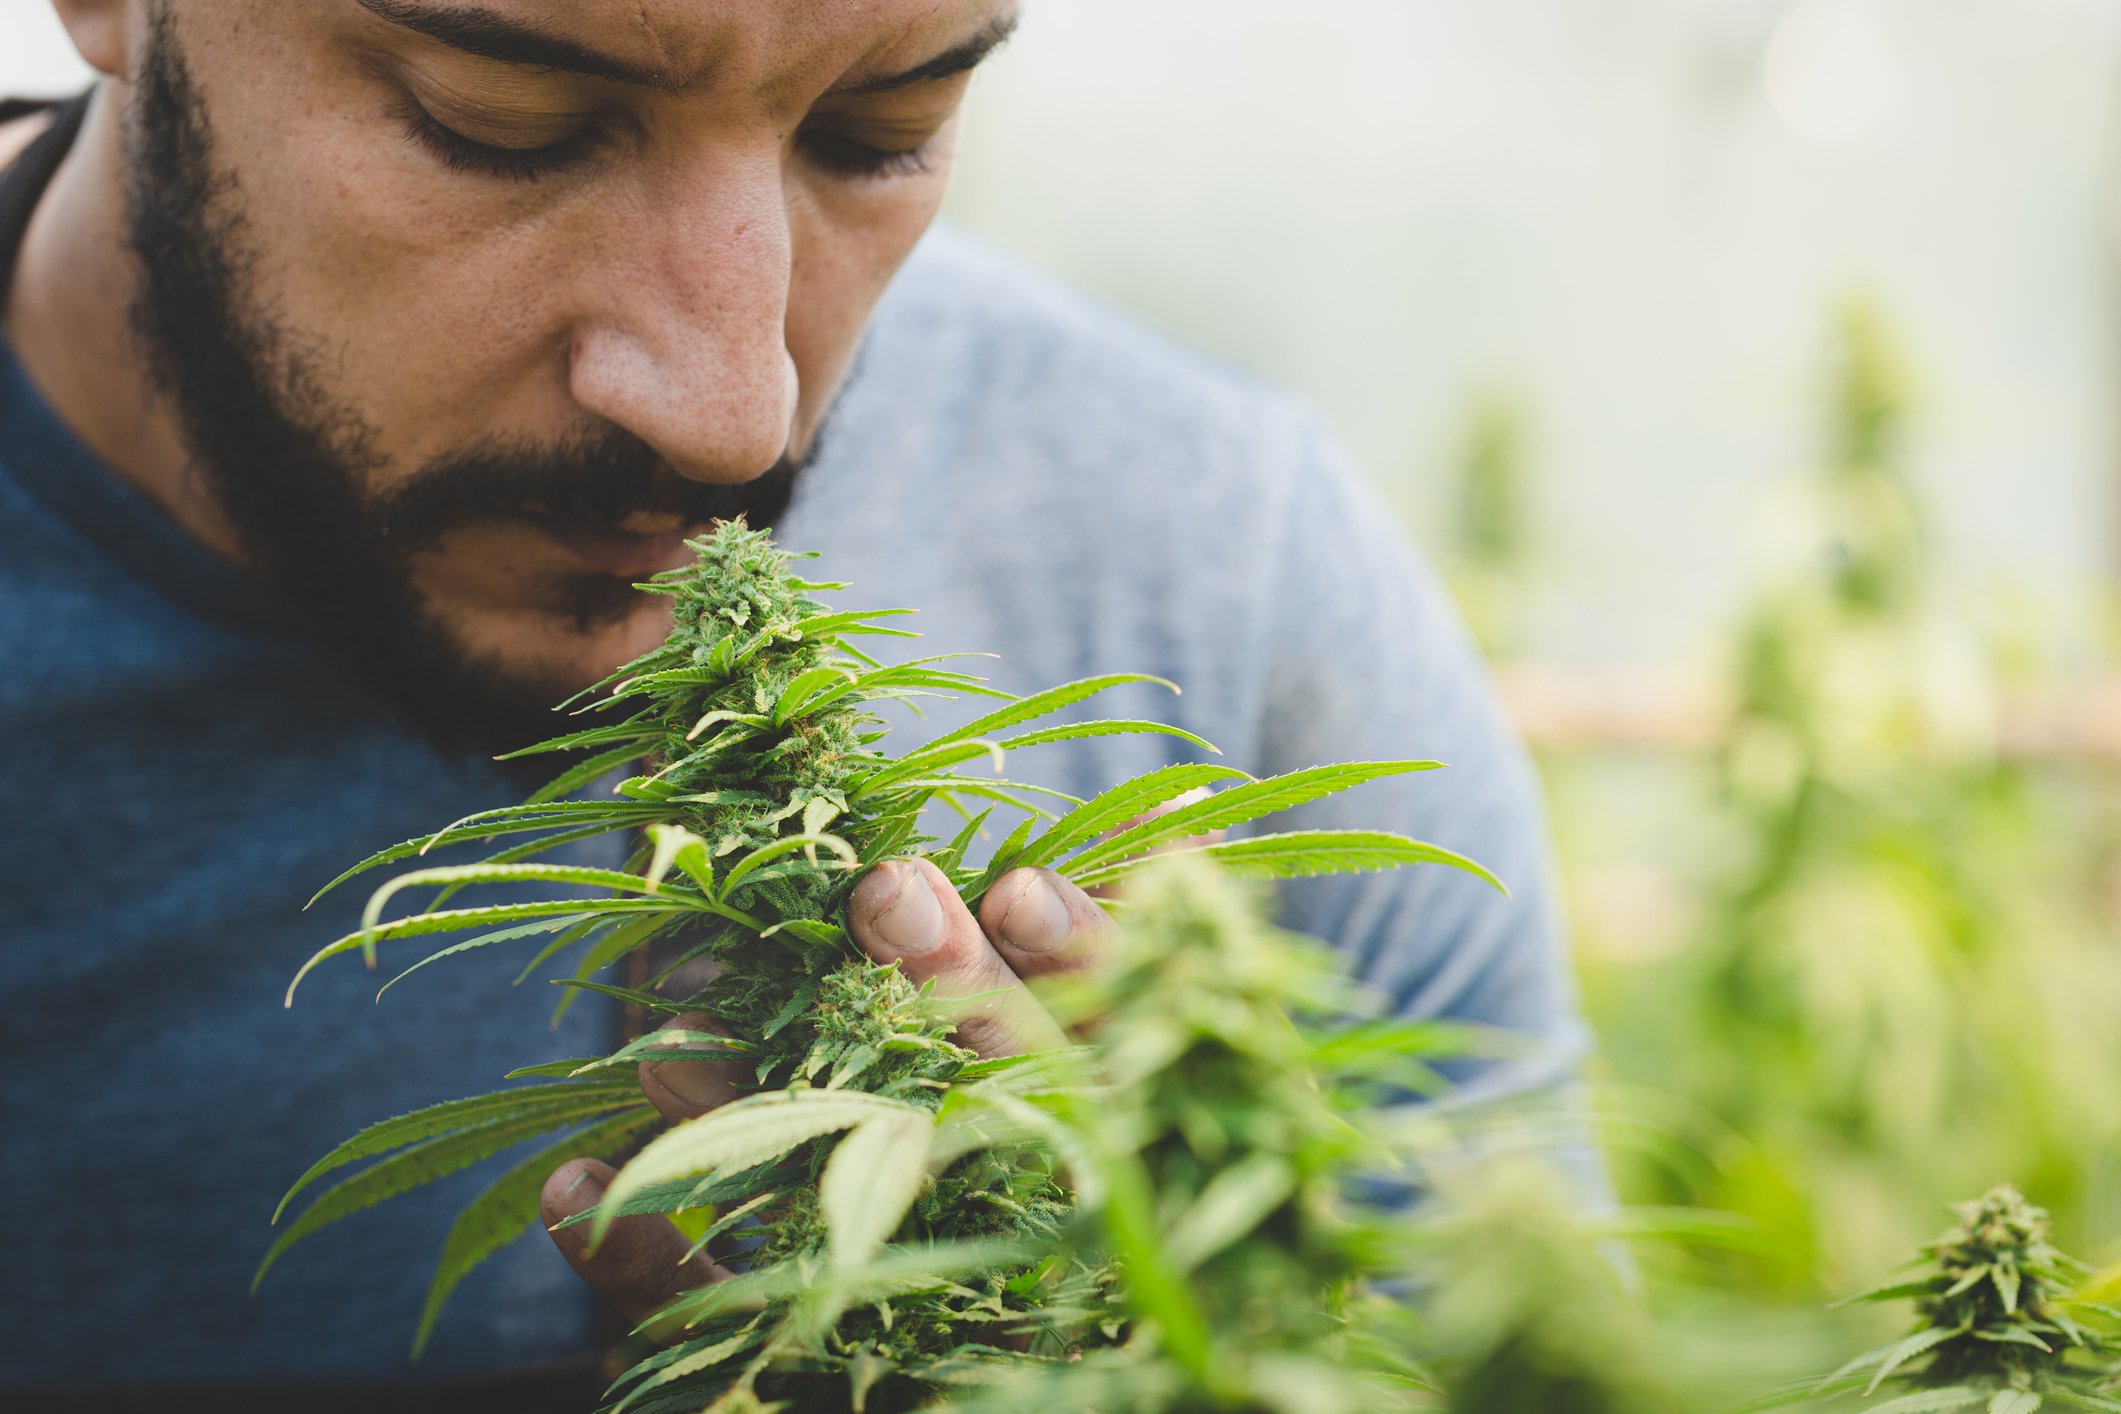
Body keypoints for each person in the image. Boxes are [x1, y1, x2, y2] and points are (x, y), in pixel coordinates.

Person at [0, 1, 1593, 1407]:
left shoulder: (1215, 575)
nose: (730, 410)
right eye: (507, 123)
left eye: (874, 131)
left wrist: (1183, 1341)